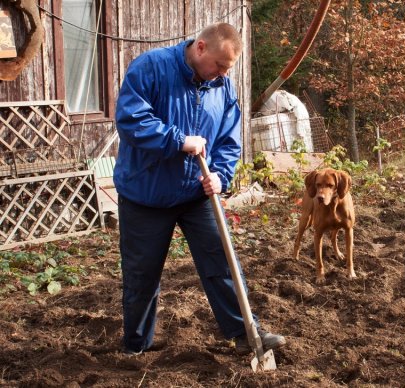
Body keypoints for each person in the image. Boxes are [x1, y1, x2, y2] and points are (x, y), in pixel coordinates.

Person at [113, 22, 285, 356]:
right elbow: (131, 120)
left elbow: (228, 141)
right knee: (142, 276)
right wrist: (178, 140)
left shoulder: (223, 87)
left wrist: (220, 175)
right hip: (145, 194)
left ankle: (246, 334)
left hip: (195, 194)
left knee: (222, 261)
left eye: (228, 69)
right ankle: (135, 347)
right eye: (219, 66)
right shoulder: (151, 67)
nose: (222, 74)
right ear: (201, 47)